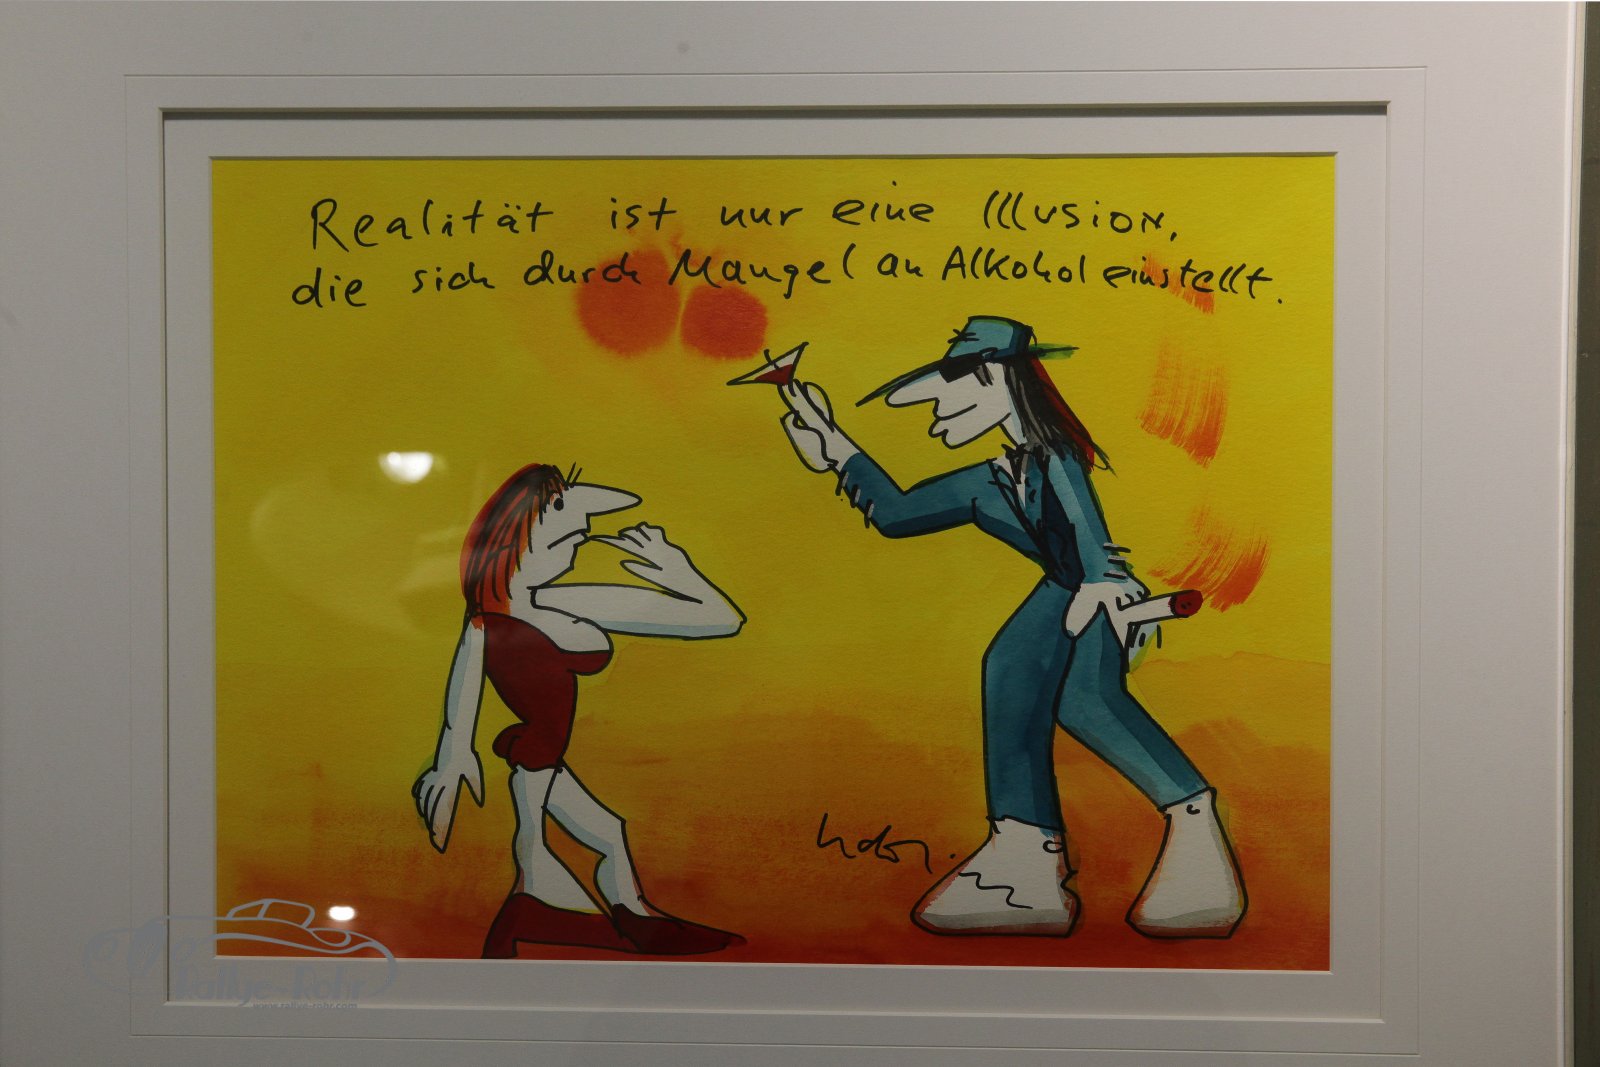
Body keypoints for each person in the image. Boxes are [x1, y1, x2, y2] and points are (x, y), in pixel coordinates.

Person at [776, 315, 1246, 939]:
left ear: (993, 376)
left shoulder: (1055, 456)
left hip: (1089, 593)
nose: (935, 418)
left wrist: (1101, 583)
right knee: (1039, 684)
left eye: (943, 397)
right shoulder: (996, 478)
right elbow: (899, 513)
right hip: (1067, 590)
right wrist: (835, 447)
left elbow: (1082, 518)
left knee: (1071, 696)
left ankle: (1178, 839)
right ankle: (1031, 860)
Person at [411, 463, 746, 957]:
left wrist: (679, 571)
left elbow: (721, 619)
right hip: (536, 758)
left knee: (601, 834)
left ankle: (613, 920)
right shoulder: (485, 625)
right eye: (562, 518)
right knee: (542, 845)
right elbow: (459, 710)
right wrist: (452, 760)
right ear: (511, 538)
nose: (582, 535)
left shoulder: (567, 601)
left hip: (544, 758)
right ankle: (561, 918)